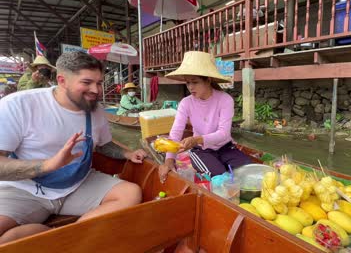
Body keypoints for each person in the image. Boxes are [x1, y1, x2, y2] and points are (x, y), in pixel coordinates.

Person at [0, 51, 147, 244]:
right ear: (62, 81)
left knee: (130, 193)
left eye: (99, 83)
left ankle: (71, 239)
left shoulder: (96, 110)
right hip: (25, 189)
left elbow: (103, 145)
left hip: (78, 185)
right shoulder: (18, 105)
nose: (96, 90)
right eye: (86, 82)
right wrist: (46, 165)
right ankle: (46, 233)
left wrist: (127, 152)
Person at [158, 51, 252, 183]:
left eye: (195, 82)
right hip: (201, 150)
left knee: (249, 173)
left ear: (208, 81)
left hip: (225, 147)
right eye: (187, 82)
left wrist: (197, 139)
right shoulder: (186, 103)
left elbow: (224, 134)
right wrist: (169, 160)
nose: (190, 87)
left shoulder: (225, 100)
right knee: (222, 180)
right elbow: (176, 132)